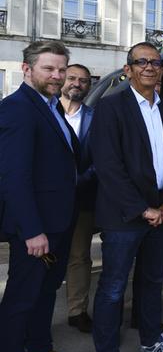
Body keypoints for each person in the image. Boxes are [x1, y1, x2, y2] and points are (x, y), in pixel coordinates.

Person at [90, 42, 163, 352]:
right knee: (113, 288)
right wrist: (142, 209)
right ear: (128, 69)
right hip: (124, 217)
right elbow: (108, 167)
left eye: (155, 62)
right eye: (141, 62)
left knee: (152, 281)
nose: (149, 67)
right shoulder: (110, 108)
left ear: (161, 70)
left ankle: (151, 341)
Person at [0, 41, 83, 352]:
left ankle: (38, 351)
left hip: (58, 221)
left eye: (61, 69)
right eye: (49, 69)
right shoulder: (17, 108)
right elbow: (14, 177)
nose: (57, 75)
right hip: (36, 228)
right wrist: (32, 230)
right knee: (21, 298)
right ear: (27, 69)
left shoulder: (51, 105)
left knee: (46, 292)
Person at [60, 63, 97, 334]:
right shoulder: (46, 113)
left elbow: (102, 159)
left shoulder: (95, 117)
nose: (77, 84)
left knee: (79, 257)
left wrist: (79, 180)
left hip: (83, 198)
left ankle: (77, 311)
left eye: (83, 81)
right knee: (44, 258)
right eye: (72, 78)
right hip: (48, 201)